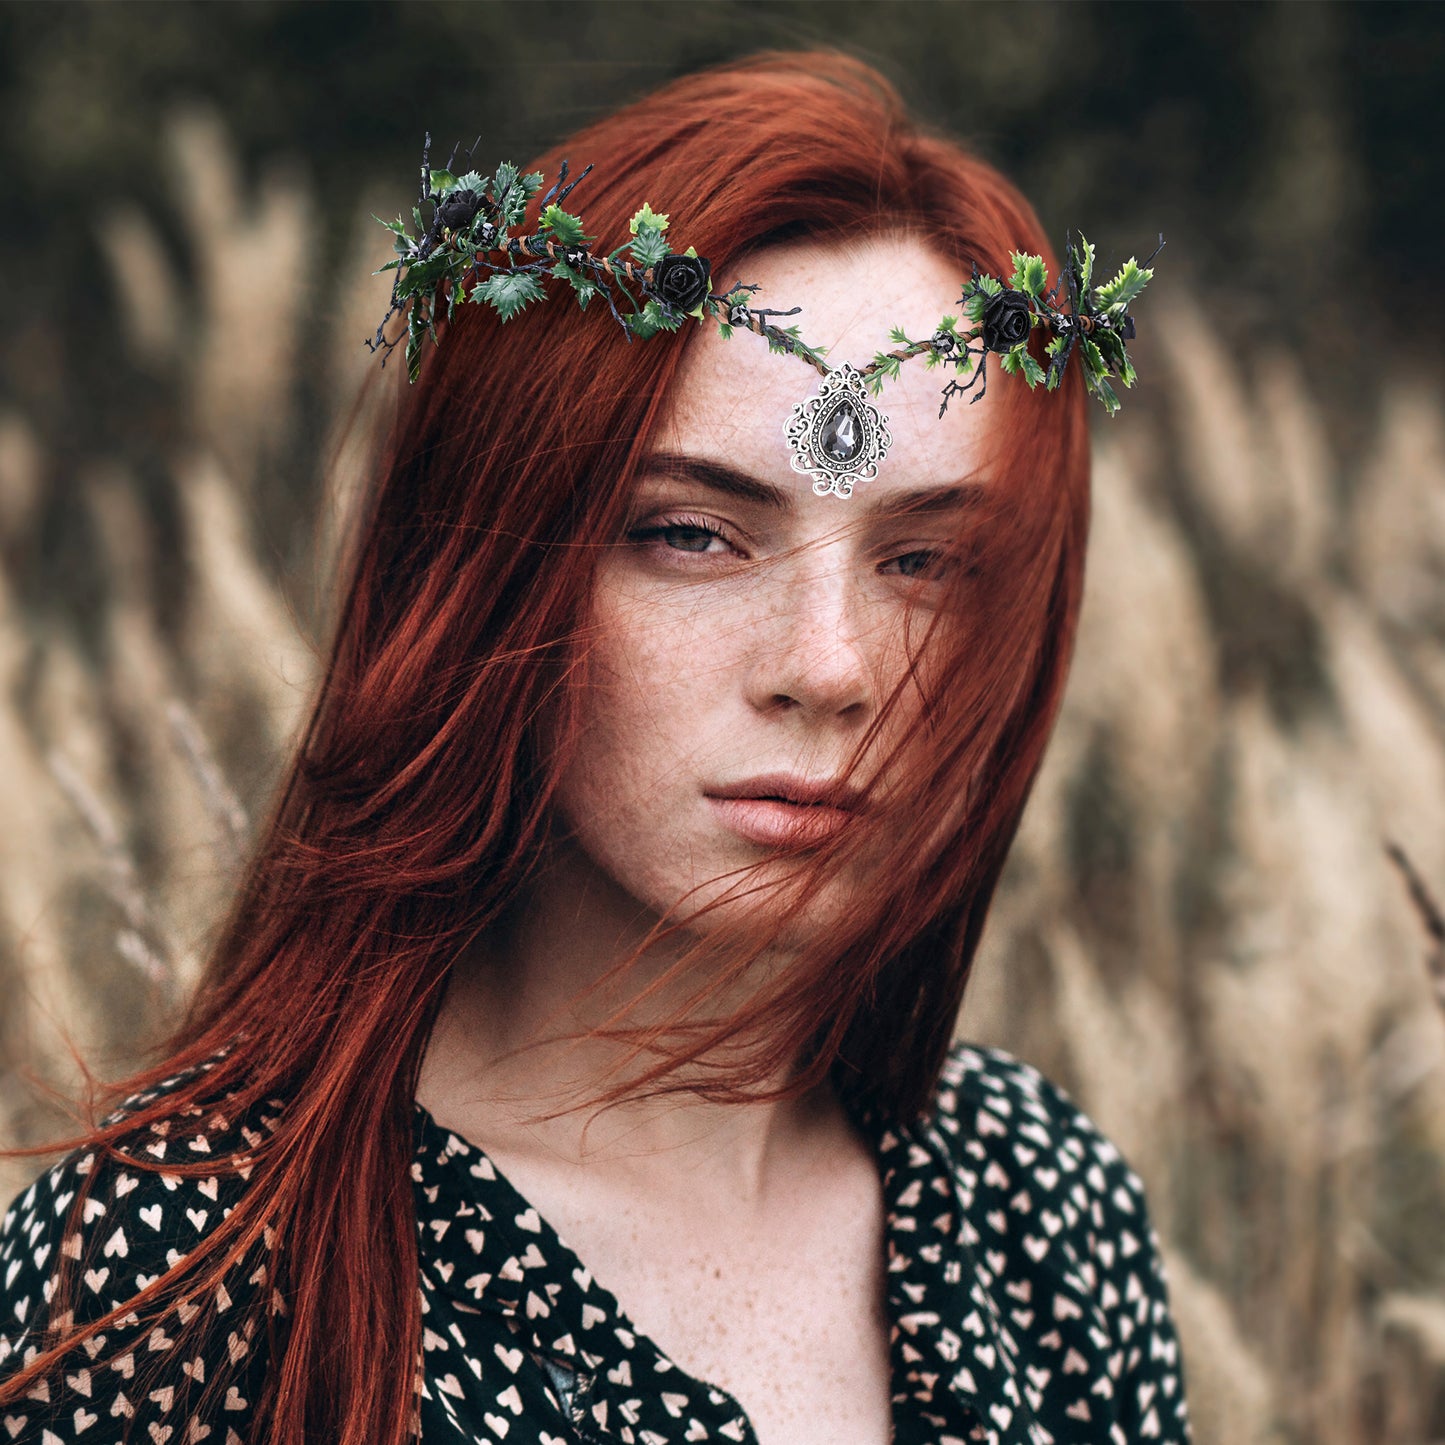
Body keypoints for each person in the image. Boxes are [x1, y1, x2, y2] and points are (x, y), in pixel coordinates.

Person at [0, 48, 1189, 1445]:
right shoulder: (186, 1268)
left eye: (924, 560)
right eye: (689, 532)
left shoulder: (1029, 1196)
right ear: (491, 569)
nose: (829, 667)